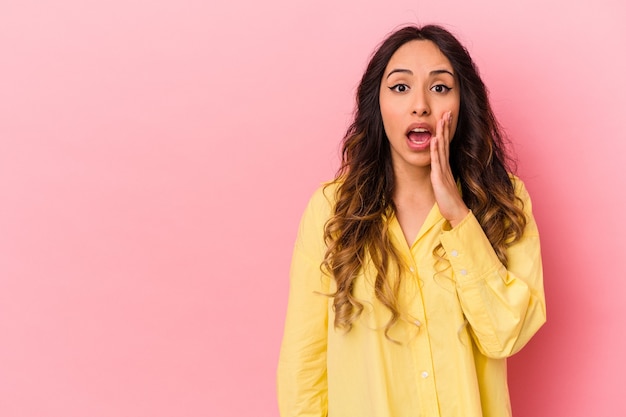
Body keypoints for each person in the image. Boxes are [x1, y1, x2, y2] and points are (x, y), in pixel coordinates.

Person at [277, 24, 546, 417]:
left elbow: (507, 335)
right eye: (400, 87)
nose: (420, 105)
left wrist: (459, 216)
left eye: (439, 88)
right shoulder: (332, 210)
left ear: (463, 103)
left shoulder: (504, 202)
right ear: (377, 105)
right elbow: (305, 366)